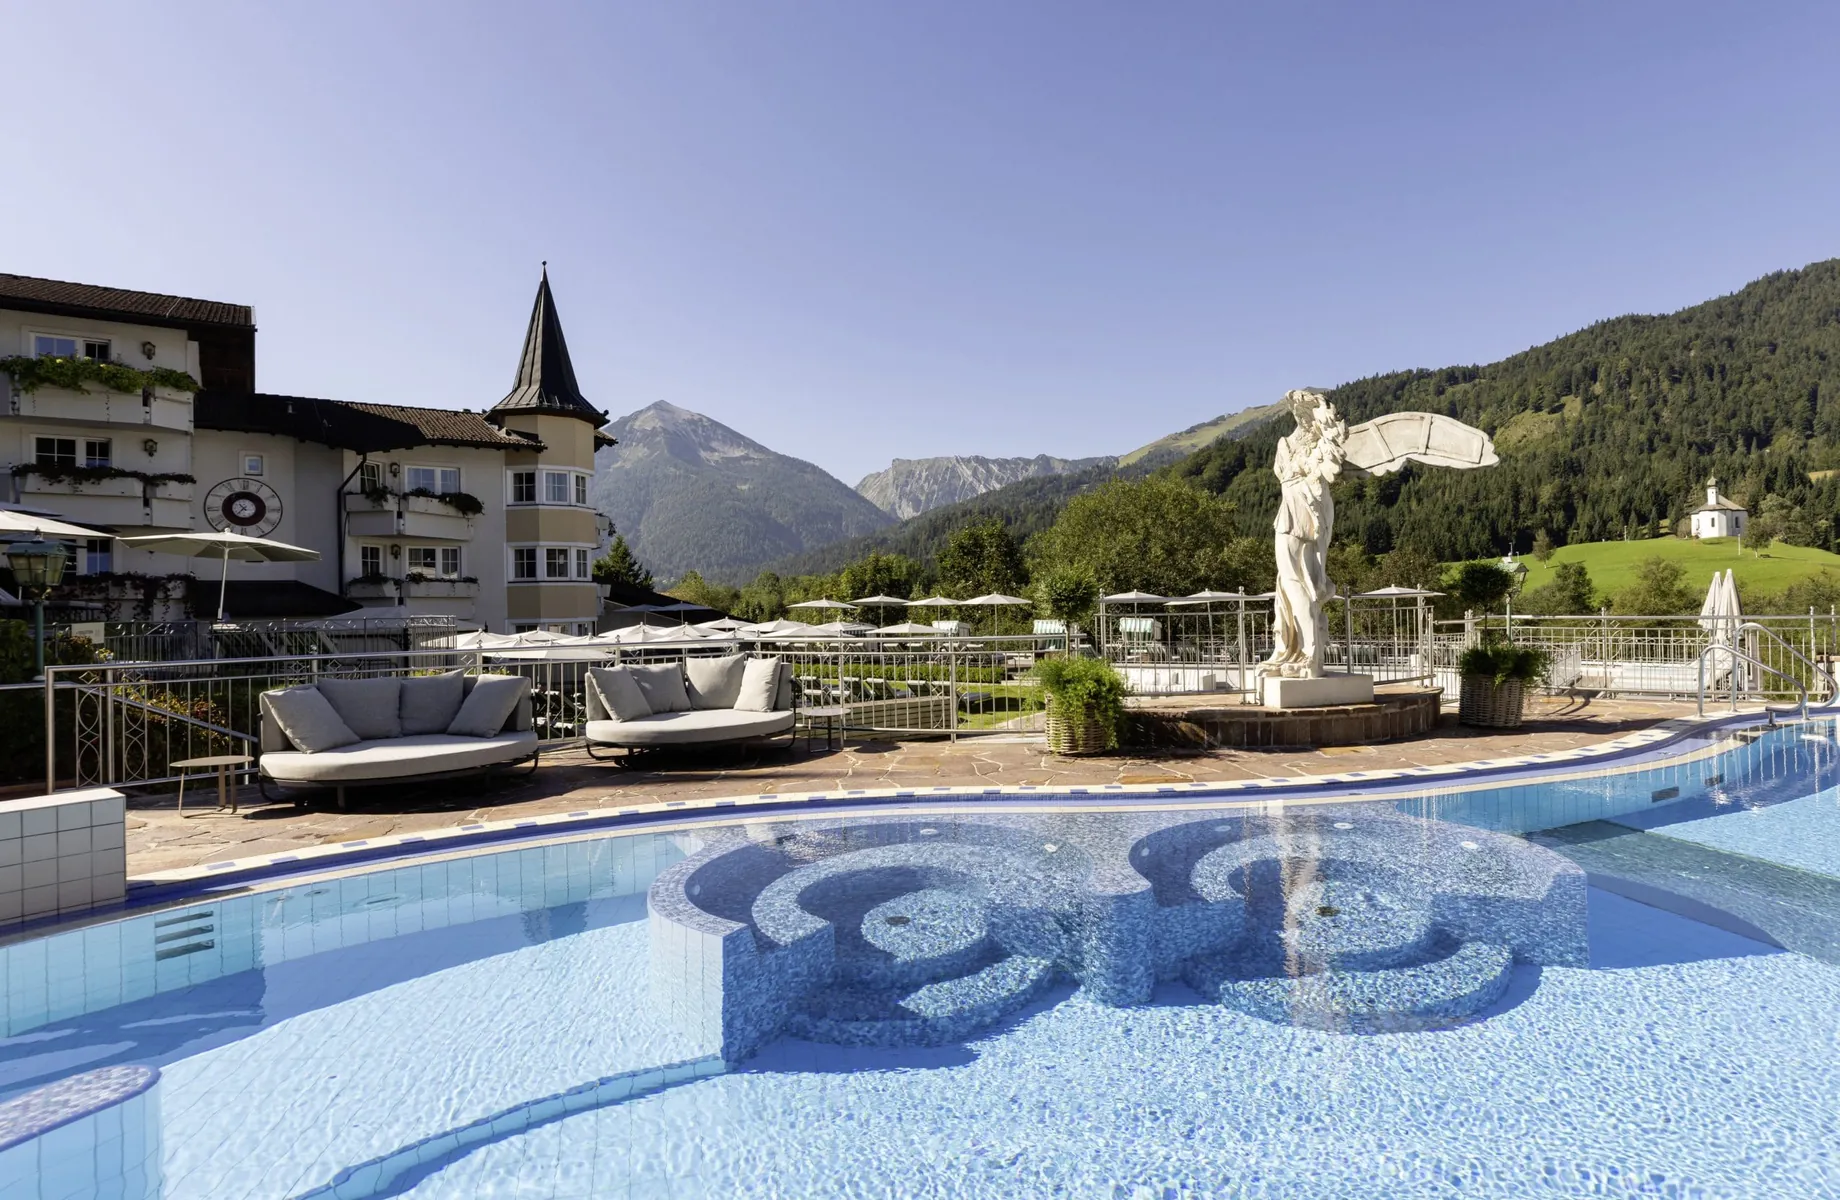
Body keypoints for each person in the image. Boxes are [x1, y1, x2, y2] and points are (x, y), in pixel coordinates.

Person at [1262, 390, 1345, 678]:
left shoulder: (1316, 448)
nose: (1300, 417)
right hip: (1292, 515)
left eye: (1304, 412)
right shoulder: (1287, 443)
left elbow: (1316, 484)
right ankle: (1294, 651)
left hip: (1301, 515)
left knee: (1297, 585)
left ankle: (1309, 654)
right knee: (1287, 587)